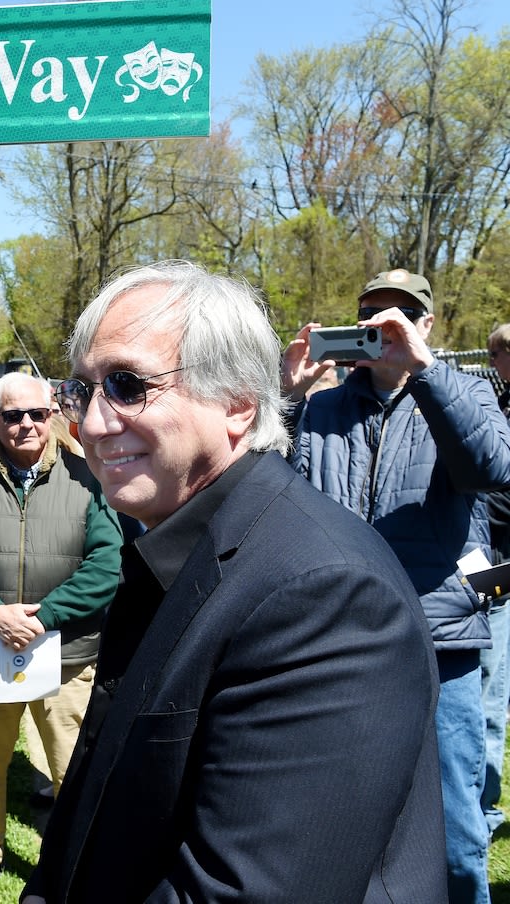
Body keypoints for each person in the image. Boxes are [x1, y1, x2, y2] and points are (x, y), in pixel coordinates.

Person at [26, 260, 444, 902]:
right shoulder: (171, 545)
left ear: (239, 405)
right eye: (83, 390)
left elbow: (245, 890)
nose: (93, 423)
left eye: (129, 384)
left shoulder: (325, 597)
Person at [284, 268, 510, 904]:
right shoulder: (323, 408)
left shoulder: (464, 391)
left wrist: (428, 371)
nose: (385, 326)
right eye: (373, 316)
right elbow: (264, 495)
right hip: (342, 637)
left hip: (439, 640)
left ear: (427, 324)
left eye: (402, 315)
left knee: (454, 822)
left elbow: (491, 467)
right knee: (340, 813)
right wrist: (286, 398)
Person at [0, 371, 122, 901]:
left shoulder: (88, 478)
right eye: (12, 415)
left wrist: (43, 617)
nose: (25, 424)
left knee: (71, 765)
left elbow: (106, 565)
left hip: (65, 653)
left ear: (53, 417)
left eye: (36, 414)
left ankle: (70, 856)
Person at [480, 323, 510, 835]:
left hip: (499, 561)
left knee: (489, 689)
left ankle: (483, 804)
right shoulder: (487, 400)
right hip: (482, 564)